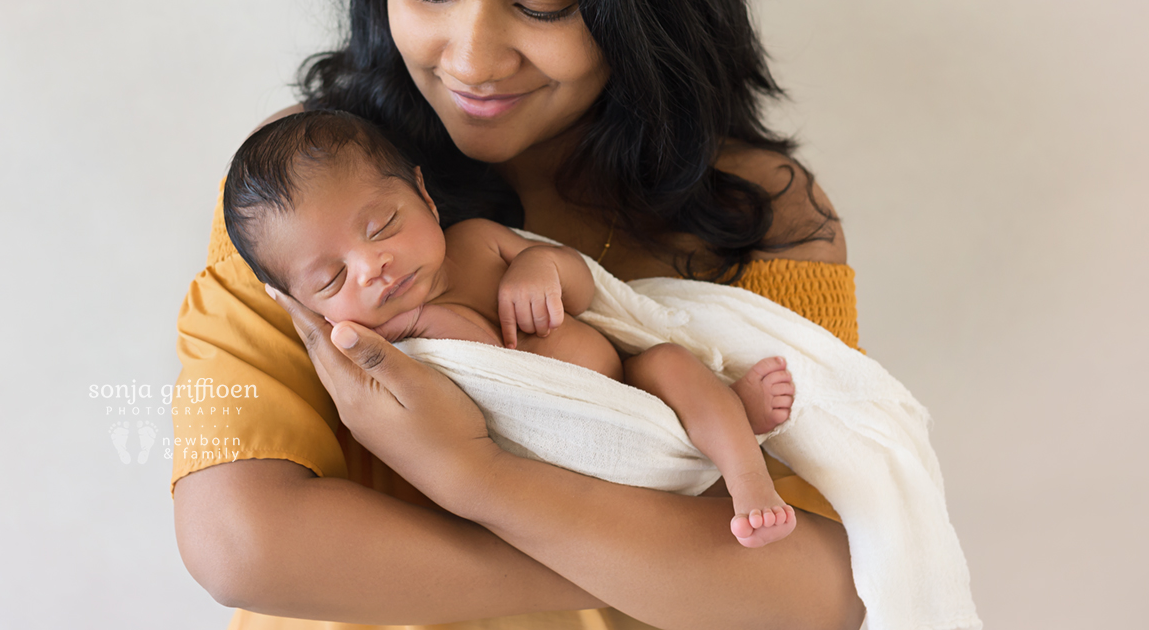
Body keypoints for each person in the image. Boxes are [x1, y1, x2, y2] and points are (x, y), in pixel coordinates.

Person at [173, 0, 866, 630]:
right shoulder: (310, 192)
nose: (471, 60)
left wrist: (477, 476)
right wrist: (660, 568)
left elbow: (820, 594)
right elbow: (243, 544)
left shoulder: (764, 213)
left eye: (542, 5)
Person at [222, 109, 799, 547]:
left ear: (423, 195)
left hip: (632, 381)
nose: (374, 266)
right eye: (330, 279)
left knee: (672, 361)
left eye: (382, 226)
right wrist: (425, 321)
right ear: (304, 308)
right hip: (567, 471)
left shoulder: (478, 242)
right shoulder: (381, 352)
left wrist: (536, 266)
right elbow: (493, 369)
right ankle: (713, 440)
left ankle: (745, 470)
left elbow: (583, 289)